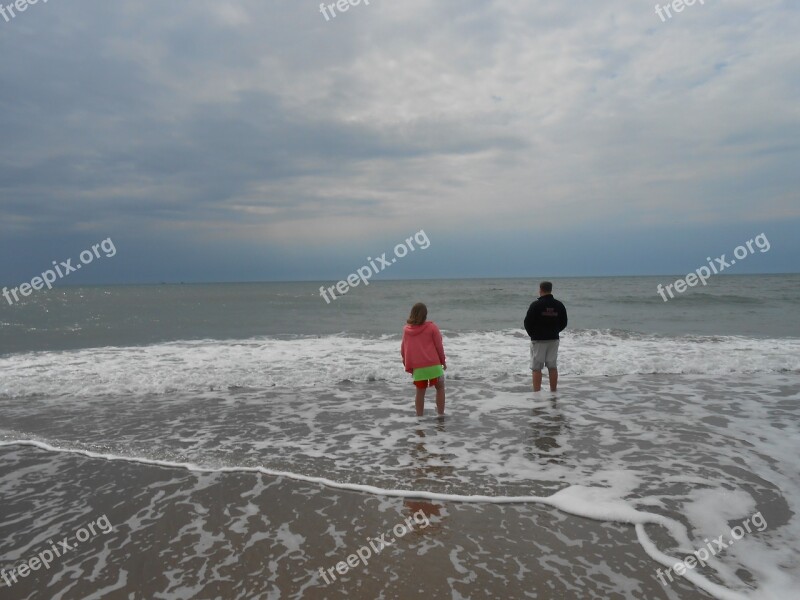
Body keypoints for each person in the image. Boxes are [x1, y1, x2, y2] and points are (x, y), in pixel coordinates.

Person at [401, 303, 447, 416]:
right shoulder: (432, 327)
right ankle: (441, 414)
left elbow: (403, 349)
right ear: (425, 315)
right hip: (434, 365)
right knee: (440, 388)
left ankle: (419, 418)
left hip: (419, 368)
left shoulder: (407, 330)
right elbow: (439, 346)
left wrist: (406, 364)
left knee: (420, 393)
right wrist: (443, 361)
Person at [524, 281, 568, 392]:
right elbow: (564, 322)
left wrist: (532, 334)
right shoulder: (559, 305)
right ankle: (553, 392)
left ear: (540, 289)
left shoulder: (535, 305)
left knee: (536, 368)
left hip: (538, 340)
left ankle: (537, 393)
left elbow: (527, 322)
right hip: (553, 339)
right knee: (552, 367)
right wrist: (555, 331)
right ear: (550, 289)